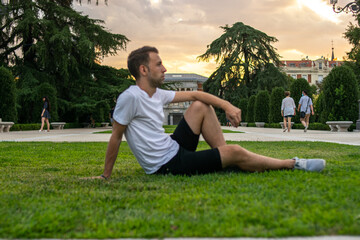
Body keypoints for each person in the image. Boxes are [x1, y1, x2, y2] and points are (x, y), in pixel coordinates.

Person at [90, 46, 325, 180]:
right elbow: (116, 136)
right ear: (143, 69)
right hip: (165, 164)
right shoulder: (130, 97)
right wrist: (104, 176)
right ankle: (292, 164)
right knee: (234, 151)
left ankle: (225, 158)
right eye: (159, 64)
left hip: (172, 146)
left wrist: (227, 105)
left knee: (201, 106)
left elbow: (196, 96)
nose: (165, 68)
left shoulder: (156, 94)